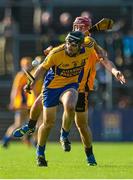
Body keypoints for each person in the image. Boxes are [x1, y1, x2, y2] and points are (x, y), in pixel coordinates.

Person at [13, 17, 126, 166]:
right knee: (41, 109)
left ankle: (85, 151)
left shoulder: (89, 45)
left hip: (79, 88)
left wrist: (115, 71)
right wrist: (32, 80)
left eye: (82, 27)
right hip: (56, 83)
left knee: (81, 124)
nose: (78, 30)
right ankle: (32, 128)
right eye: (77, 27)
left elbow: (104, 58)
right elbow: (45, 65)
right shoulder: (63, 47)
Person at [23, 31, 104, 166]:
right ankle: (40, 153)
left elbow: (92, 42)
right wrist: (32, 83)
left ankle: (64, 134)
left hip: (70, 85)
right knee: (48, 123)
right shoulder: (56, 53)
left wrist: (99, 50)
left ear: (80, 46)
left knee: (71, 105)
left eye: (73, 45)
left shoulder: (87, 46)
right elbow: (42, 68)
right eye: (67, 44)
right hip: (52, 88)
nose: (69, 47)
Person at [1, 57, 36, 148]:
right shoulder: (20, 76)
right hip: (21, 104)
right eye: (26, 65)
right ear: (22, 65)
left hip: (28, 105)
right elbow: (15, 90)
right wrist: (12, 102)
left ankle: (27, 141)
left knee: (29, 124)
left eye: (29, 64)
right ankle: (6, 140)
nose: (28, 66)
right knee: (18, 124)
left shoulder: (31, 75)